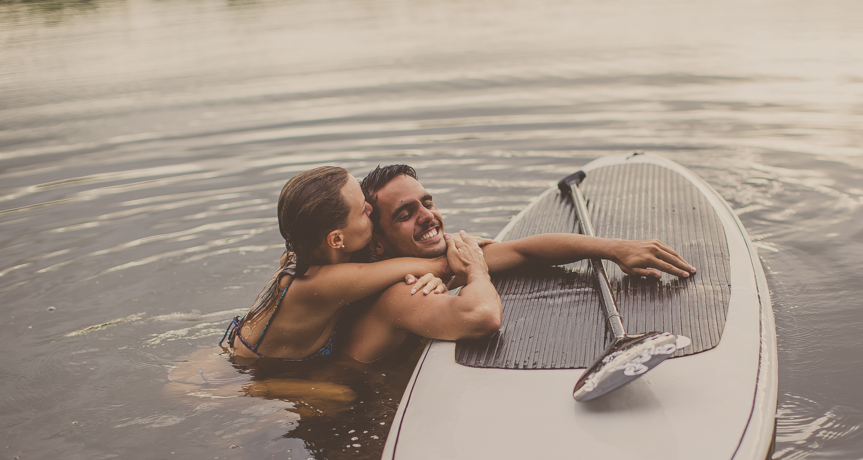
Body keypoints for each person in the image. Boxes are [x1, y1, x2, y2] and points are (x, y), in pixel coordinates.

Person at [340, 164, 696, 363]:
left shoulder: (431, 263)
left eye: (427, 203)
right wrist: (476, 270)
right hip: (353, 401)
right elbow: (483, 319)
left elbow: (525, 251)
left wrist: (613, 248)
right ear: (378, 246)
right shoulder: (400, 293)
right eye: (406, 213)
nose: (427, 216)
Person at [220, 165, 451, 362]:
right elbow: (437, 265)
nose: (371, 210)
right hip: (244, 374)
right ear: (336, 239)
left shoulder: (304, 255)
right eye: (362, 210)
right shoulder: (321, 283)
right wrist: (462, 246)